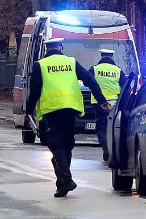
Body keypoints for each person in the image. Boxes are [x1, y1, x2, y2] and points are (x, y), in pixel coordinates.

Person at [25, 38, 111, 198]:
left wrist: (28, 110)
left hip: (52, 111)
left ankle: (66, 179)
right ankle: (62, 184)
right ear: (60, 47)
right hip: (71, 109)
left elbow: (35, 91)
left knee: (56, 144)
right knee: (67, 144)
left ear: (46, 49)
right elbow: (90, 80)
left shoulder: (40, 65)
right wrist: (102, 101)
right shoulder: (71, 62)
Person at [90, 49, 126, 162]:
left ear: (101, 57)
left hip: (99, 103)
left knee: (101, 127)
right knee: (113, 127)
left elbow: (88, 82)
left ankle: (105, 147)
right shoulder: (118, 70)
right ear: (112, 57)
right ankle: (112, 149)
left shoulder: (94, 69)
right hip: (114, 103)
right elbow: (125, 87)